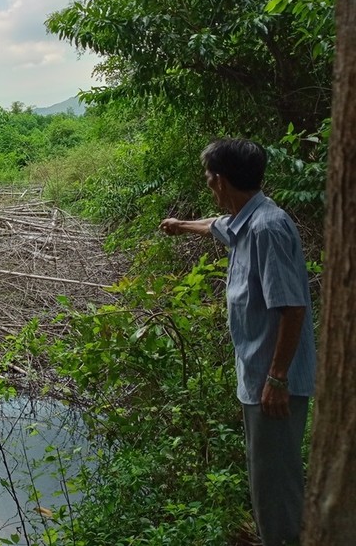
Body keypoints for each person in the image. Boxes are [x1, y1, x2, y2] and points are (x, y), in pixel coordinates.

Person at [159, 138, 316, 546]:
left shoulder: (267, 228)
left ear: (220, 181)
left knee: (274, 482)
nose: (208, 183)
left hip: (274, 383)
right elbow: (218, 226)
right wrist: (180, 226)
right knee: (266, 472)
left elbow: (292, 307)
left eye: (209, 176)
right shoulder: (247, 220)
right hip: (260, 379)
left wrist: (277, 378)